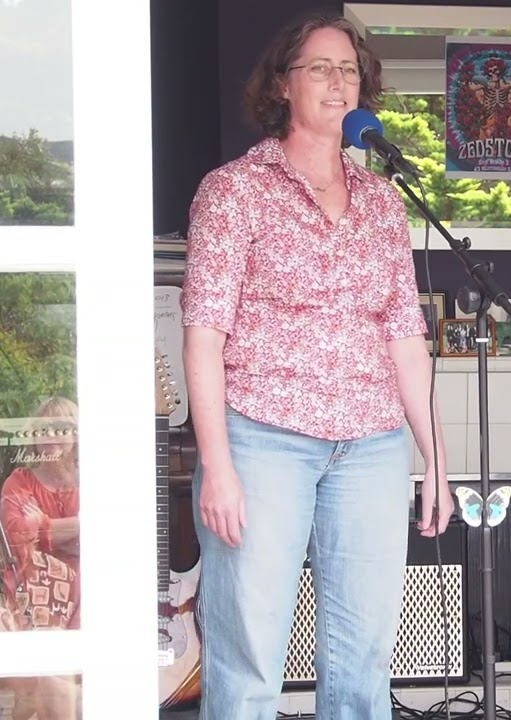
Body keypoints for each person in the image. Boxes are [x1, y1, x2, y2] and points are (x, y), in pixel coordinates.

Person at [180, 12, 452, 720]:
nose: (338, 82)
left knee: (363, 658)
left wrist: (435, 463)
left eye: (349, 71)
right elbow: (203, 336)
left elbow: (405, 340)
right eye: (321, 68)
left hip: (370, 447)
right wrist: (220, 465)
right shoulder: (234, 191)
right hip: (261, 439)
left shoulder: (383, 203)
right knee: (250, 661)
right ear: (282, 84)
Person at [0, 396, 81, 631]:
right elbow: (17, 540)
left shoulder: (90, 479)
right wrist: (81, 527)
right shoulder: (19, 482)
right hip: (35, 603)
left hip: (88, 600)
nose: (50, 435)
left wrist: (42, 527)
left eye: (59, 428)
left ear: (75, 435)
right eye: (42, 429)